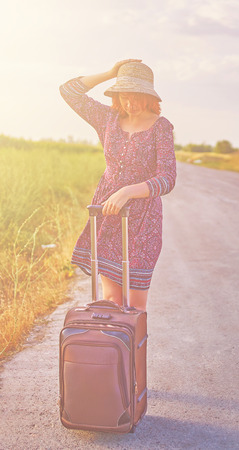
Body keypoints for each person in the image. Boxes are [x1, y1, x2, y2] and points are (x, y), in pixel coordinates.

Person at [59, 59, 176, 311]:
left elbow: (167, 178)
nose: (129, 103)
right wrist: (111, 73)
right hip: (109, 214)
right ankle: (113, 351)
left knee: (134, 307)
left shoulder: (161, 128)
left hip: (143, 221)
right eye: (123, 95)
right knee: (111, 302)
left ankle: (135, 351)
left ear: (148, 96)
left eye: (135, 96)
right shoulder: (107, 118)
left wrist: (128, 192)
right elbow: (68, 91)